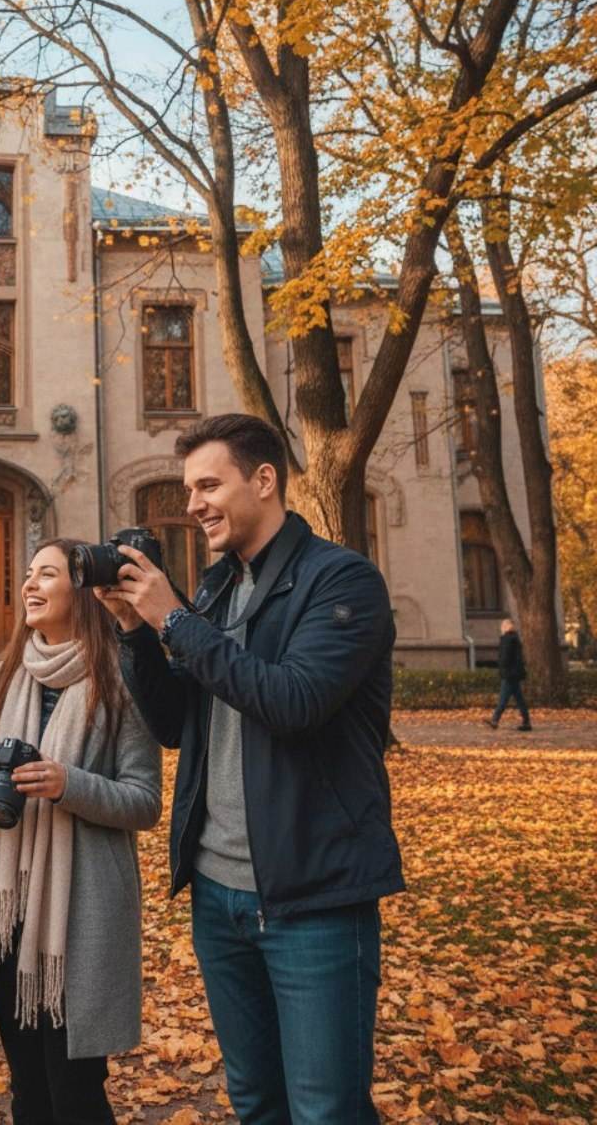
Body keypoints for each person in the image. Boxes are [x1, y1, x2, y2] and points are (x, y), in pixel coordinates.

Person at [96, 413, 403, 1125]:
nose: (193, 503)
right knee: (256, 1100)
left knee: (326, 1110)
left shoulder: (342, 580)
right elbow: (178, 726)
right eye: (187, 488)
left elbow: (293, 701)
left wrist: (175, 622)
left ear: (265, 480)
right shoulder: (214, 589)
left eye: (209, 484)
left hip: (314, 893)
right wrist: (136, 632)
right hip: (219, 895)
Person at [0, 538, 162, 1125]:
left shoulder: (121, 675)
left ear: (81, 588)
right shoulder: (8, 672)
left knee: (74, 1092)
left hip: (82, 909)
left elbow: (145, 801)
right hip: (10, 908)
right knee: (27, 1086)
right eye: (26, 574)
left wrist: (66, 784)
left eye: (45, 574)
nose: (28, 584)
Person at [488, 618, 532, 731]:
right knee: (519, 699)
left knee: (503, 699)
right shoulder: (515, 639)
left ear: (506, 627)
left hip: (509, 674)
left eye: (502, 626)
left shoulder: (507, 639)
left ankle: (495, 720)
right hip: (515, 673)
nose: (501, 628)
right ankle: (526, 722)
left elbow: (505, 657)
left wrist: (502, 669)